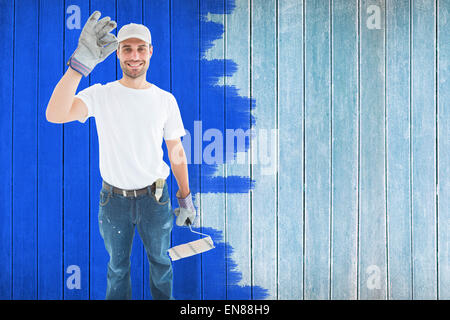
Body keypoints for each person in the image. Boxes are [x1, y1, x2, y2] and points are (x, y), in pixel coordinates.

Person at [45, 11, 196, 300]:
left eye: (141, 48)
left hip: (157, 199)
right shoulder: (100, 94)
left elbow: (175, 151)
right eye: (127, 48)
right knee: (117, 269)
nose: (134, 55)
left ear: (150, 52)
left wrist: (185, 198)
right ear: (117, 53)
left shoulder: (165, 100)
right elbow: (55, 114)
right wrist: (79, 66)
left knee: (162, 264)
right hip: (113, 201)